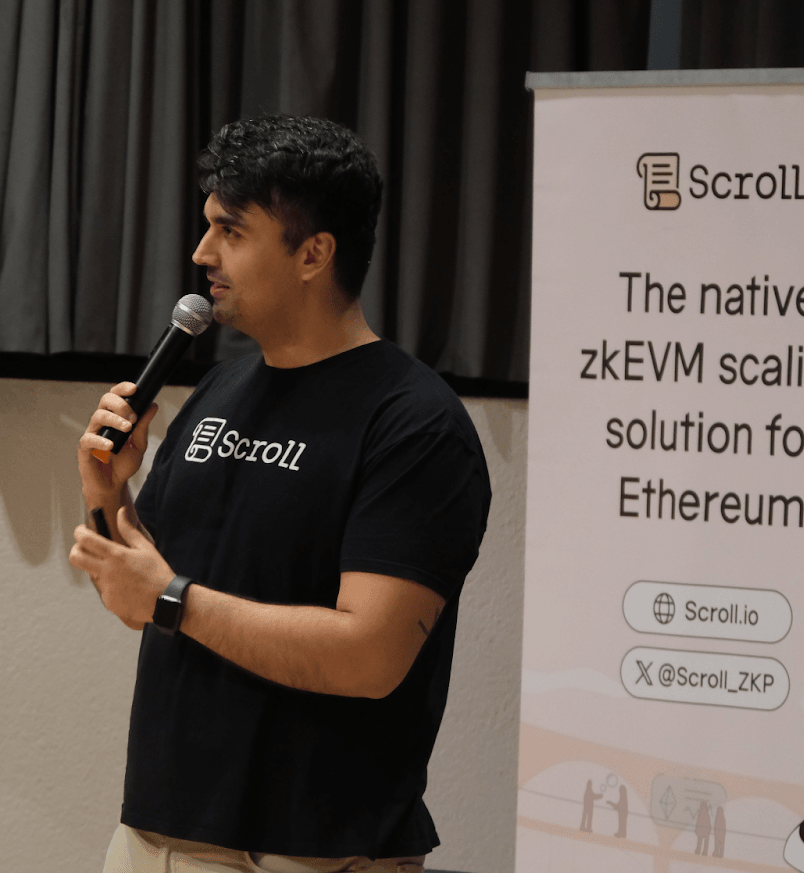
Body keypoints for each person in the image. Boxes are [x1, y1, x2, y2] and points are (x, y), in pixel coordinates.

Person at [69, 115, 492, 873]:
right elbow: (139, 595)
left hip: (307, 854)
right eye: (208, 226)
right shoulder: (219, 390)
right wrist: (109, 493)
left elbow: (369, 656)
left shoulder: (415, 425)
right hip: (156, 838)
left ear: (313, 254)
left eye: (230, 231)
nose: (202, 254)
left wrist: (172, 599)